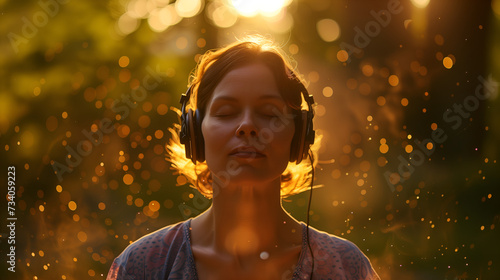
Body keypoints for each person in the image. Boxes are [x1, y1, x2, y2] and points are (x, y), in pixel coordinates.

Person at [107, 36, 380, 280]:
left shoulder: (345, 267)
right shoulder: (143, 265)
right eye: (226, 113)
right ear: (195, 133)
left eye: (270, 114)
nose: (247, 126)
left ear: (299, 136)